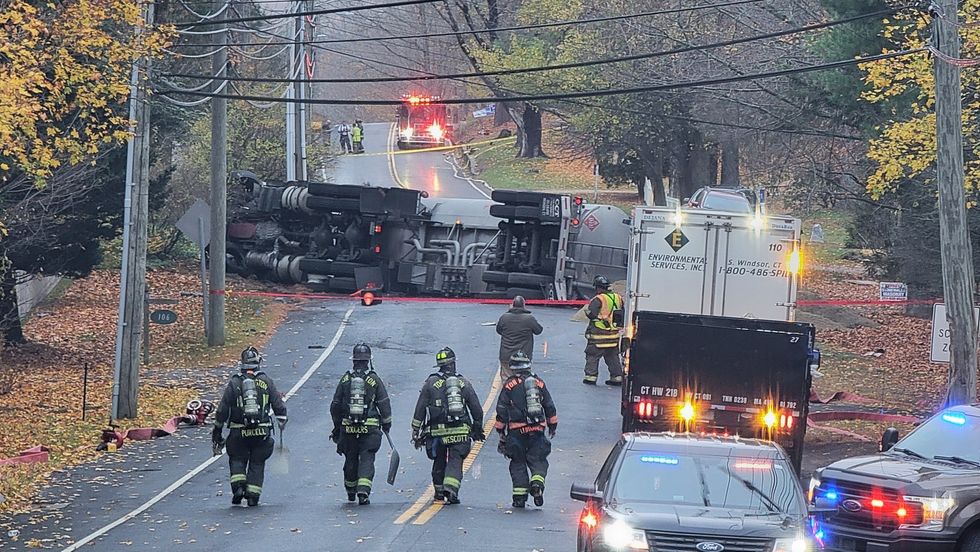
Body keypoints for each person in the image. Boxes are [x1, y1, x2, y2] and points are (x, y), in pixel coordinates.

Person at [212, 346, 287, 507]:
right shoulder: (266, 381)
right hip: (262, 432)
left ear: (242, 363)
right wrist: (282, 421)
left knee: (237, 458)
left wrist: (217, 431)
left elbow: (222, 410)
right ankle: (253, 495)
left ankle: (238, 487)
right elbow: (279, 406)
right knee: (257, 463)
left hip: (239, 432)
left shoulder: (235, 382)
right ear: (258, 363)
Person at [411, 347, 485, 504]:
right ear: (453, 364)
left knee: (439, 459)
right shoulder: (463, 383)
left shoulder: (430, 383)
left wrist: (415, 430)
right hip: (460, 431)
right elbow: (476, 409)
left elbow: (420, 409)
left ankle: (438, 492)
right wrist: (477, 427)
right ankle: (451, 489)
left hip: (436, 434)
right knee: (455, 460)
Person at [330, 343, 392, 505]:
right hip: (370, 429)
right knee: (367, 459)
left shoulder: (345, 379)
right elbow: (384, 403)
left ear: (354, 360)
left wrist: (337, 427)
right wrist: (386, 424)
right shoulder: (374, 379)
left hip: (348, 429)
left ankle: (351, 490)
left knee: (350, 458)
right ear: (368, 360)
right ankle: (363, 492)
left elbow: (335, 405)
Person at [494, 352, 557, 509]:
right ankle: (537, 483)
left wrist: (500, 430)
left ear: (514, 368)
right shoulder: (539, 383)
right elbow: (549, 405)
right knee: (538, 460)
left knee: (518, 462)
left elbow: (501, 408)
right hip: (537, 429)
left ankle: (519, 498)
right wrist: (552, 426)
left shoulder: (509, 385)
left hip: (516, 431)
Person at [583, 275, 624, 386]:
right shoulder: (618, 298)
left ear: (599, 288)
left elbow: (592, 315)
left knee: (592, 356)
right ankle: (617, 377)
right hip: (613, 336)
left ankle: (590, 377)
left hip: (599, 335)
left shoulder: (598, 299)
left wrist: (587, 313)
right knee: (612, 357)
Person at [495, 296, 543, 381]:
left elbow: (499, 330)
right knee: (523, 380)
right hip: (523, 356)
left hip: (506, 355)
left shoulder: (504, 317)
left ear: (512, 305)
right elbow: (538, 330)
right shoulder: (529, 319)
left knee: (507, 380)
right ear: (524, 306)